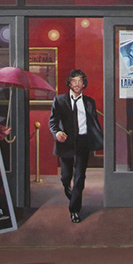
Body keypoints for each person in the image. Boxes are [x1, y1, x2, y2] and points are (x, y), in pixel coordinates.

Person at [48, 69, 104, 223]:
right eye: (74, 81)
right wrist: (57, 133)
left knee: (79, 177)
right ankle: (70, 193)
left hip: (83, 141)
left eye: (80, 81)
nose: (77, 84)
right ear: (69, 83)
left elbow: (93, 122)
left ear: (84, 84)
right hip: (66, 142)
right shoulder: (59, 100)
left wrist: (97, 138)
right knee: (66, 177)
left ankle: (74, 210)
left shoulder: (89, 102)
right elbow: (52, 122)